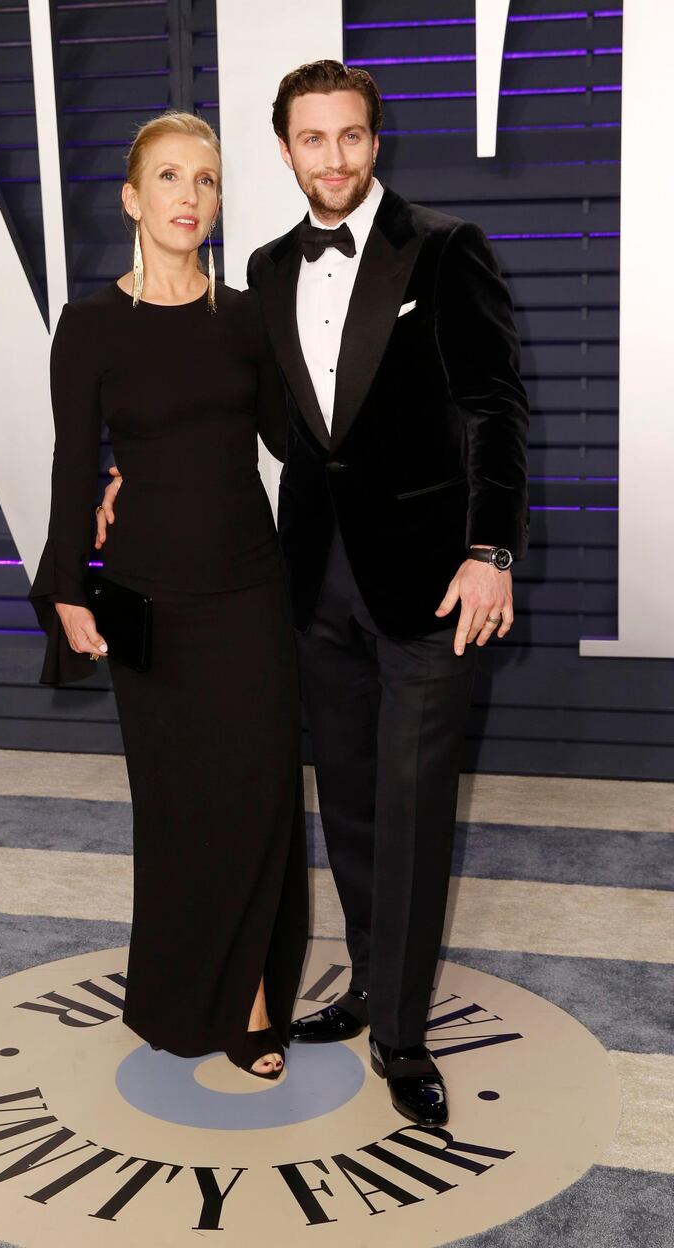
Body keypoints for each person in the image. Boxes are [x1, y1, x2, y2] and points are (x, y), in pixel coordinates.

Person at [98, 62, 529, 1125]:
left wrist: (491, 550)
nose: (331, 158)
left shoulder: (443, 248)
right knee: (347, 802)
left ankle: (401, 1033)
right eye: (310, 139)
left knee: (416, 803)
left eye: (349, 137)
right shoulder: (258, 269)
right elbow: (250, 418)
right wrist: (128, 476)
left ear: (373, 142)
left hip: (430, 579)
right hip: (308, 582)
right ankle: (372, 981)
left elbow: (494, 408)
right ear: (283, 149)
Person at [29, 111, 307, 1080]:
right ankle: (173, 993)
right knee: (177, 805)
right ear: (131, 197)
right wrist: (68, 587)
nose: (189, 198)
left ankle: (252, 998)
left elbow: (289, 440)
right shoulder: (92, 325)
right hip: (149, 597)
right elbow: (75, 465)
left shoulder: (243, 319)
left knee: (259, 797)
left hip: (249, 593)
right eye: (171, 179)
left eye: (206, 181)